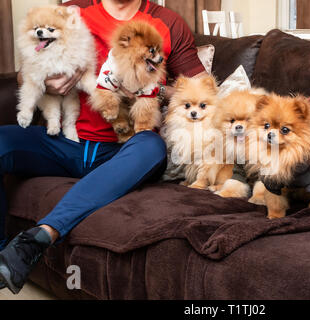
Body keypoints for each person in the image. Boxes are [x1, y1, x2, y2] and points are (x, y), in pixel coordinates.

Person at [0, 0, 206, 294]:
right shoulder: (73, 11)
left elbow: (204, 89)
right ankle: (3, 259)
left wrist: (152, 87)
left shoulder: (168, 22)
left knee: (152, 147)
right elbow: (24, 73)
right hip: (64, 142)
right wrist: (44, 80)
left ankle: (38, 238)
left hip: (122, 151)